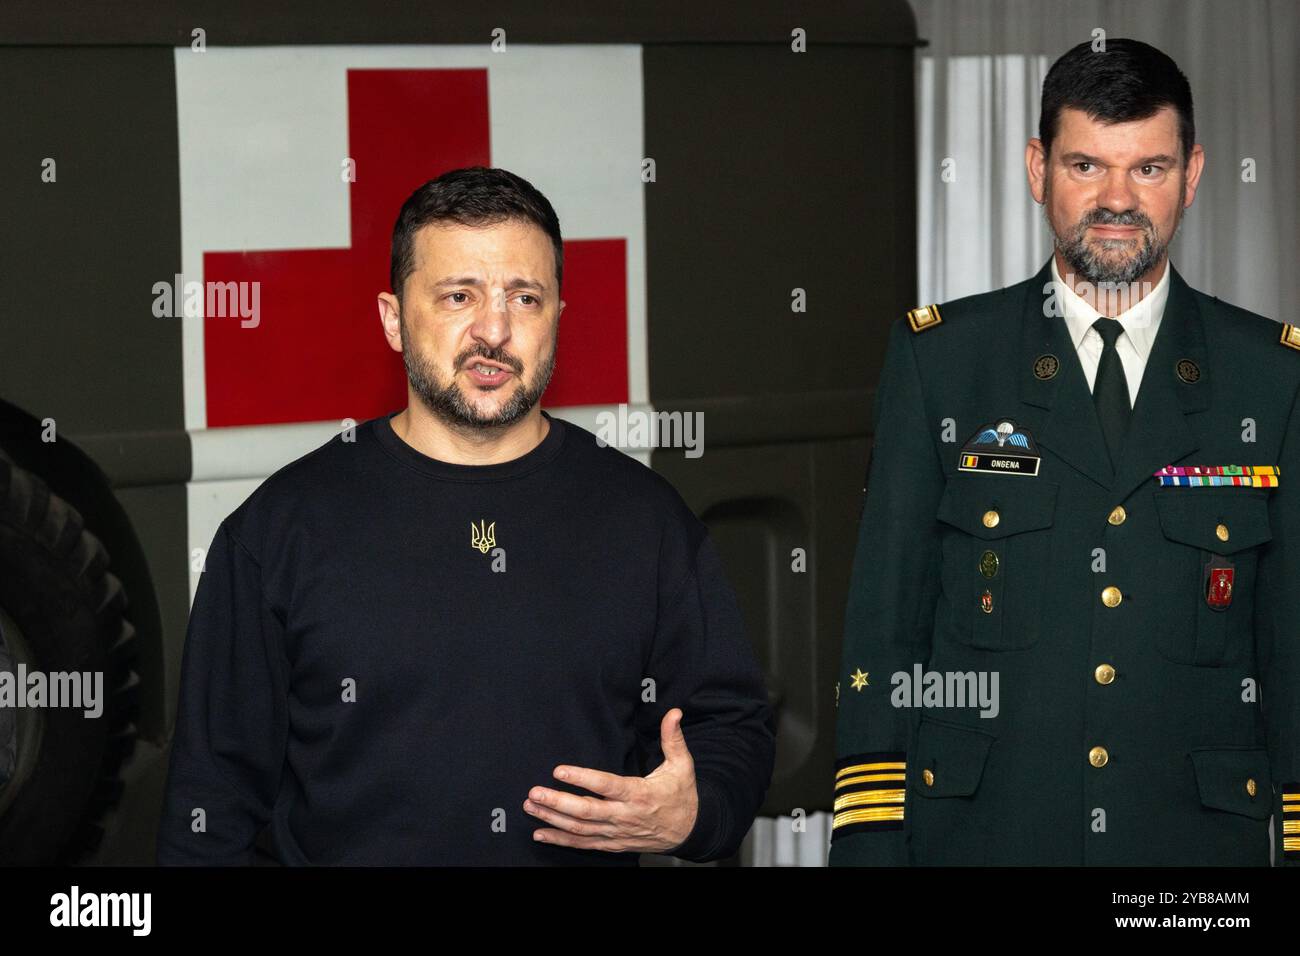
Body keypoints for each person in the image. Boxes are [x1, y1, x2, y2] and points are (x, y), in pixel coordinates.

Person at [157, 166, 775, 865]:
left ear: (559, 319)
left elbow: (730, 730)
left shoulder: (646, 522)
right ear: (393, 319)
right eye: (459, 296)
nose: (494, 330)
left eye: (525, 298)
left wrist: (695, 814)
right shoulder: (280, 531)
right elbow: (208, 808)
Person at [831, 39, 1299, 866]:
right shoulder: (940, 364)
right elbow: (885, 636)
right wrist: (869, 846)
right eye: (1087, 166)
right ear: (1037, 169)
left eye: (1148, 169)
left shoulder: (1271, 378)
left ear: (1191, 176)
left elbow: (1292, 651)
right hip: (985, 839)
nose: (1117, 200)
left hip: (1190, 861)